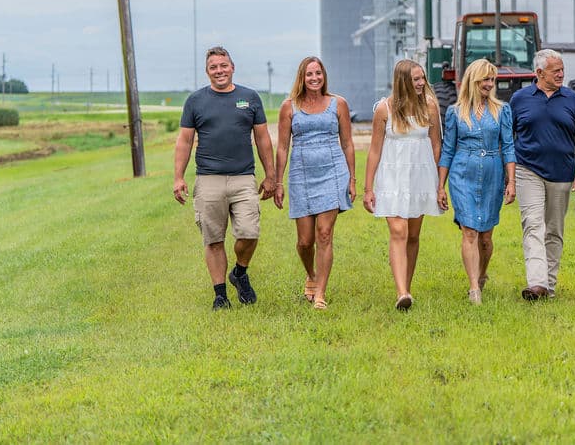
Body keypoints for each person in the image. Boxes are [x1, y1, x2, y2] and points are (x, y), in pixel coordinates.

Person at [173, 46, 276, 310]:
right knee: (214, 238)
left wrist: (271, 175)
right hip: (209, 179)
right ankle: (220, 295)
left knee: (249, 233)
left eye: (223, 66)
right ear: (207, 72)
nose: (219, 71)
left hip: (243, 177)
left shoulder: (250, 98)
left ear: (232, 67)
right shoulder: (195, 101)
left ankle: (240, 273)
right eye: (213, 67)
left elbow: (262, 138)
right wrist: (178, 177)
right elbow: (185, 141)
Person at [273, 56, 356, 310]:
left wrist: (352, 178)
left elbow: (347, 143)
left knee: (324, 233)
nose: (314, 78)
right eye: (309, 74)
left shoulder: (338, 104)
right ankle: (311, 274)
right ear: (302, 77)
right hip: (302, 174)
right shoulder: (290, 107)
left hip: (333, 171)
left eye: (318, 73)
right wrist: (278, 182)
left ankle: (320, 294)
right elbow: (283, 147)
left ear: (324, 76)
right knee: (305, 241)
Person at [363, 59, 444, 310]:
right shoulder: (384, 109)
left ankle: (406, 288)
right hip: (392, 177)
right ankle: (401, 292)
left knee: (413, 235)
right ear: (403, 81)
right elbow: (374, 150)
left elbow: (436, 145)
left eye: (422, 78)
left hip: (420, 177)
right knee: (398, 231)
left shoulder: (430, 106)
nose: (421, 83)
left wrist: (438, 183)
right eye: (416, 79)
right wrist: (368, 188)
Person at [510, 48, 575, 301]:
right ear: (539, 73)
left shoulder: (573, 99)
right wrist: (509, 173)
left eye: (562, 69)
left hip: (562, 173)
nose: (561, 74)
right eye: (556, 70)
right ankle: (537, 283)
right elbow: (508, 136)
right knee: (533, 224)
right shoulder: (520, 98)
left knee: (554, 230)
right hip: (528, 169)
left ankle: (550, 287)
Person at [437, 59, 516, 305]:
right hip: (463, 173)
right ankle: (474, 289)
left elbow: (509, 147)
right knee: (469, 231)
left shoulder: (502, 110)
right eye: (485, 79)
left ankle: (481, 274)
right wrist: (441, 186)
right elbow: (448, 149)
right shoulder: (454, 112)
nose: (489, 84)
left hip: (493, 173)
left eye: (492, 80)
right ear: (473, 81)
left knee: (485, 236)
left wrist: (511, 180)